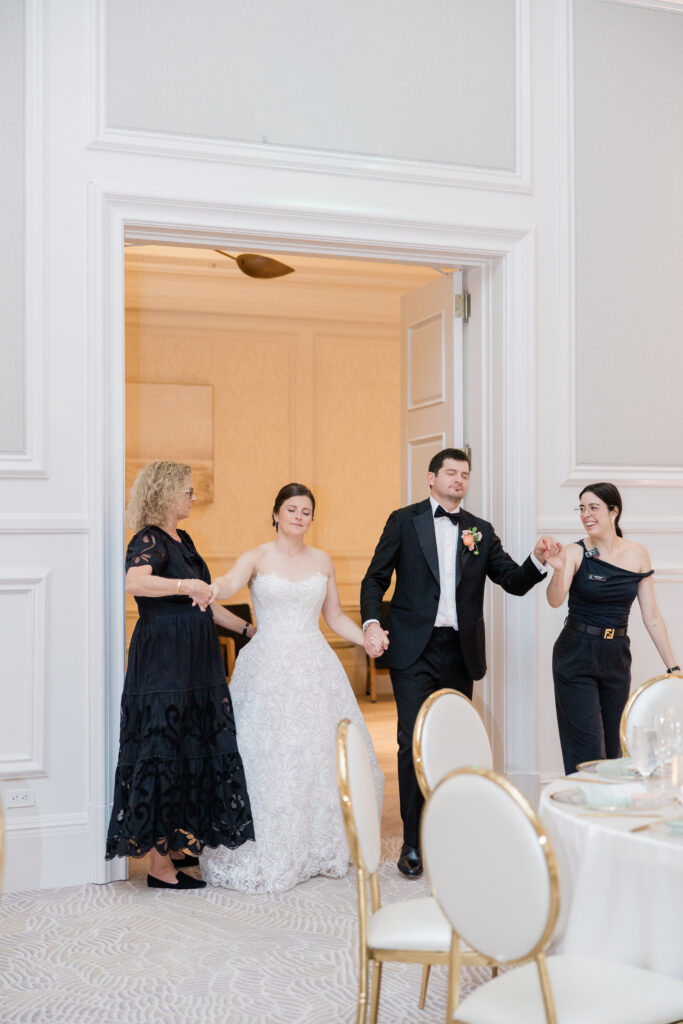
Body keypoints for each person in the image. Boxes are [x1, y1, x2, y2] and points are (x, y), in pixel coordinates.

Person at [361, 448, 558, 877]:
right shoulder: (404, 520)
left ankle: (447, 833)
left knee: (451, 741)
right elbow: (375, 578)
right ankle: (413, 842)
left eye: (465, 475)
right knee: (412, 740)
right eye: (451, 473)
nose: (459, 480)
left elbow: (513, 581)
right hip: (413, 649)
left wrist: (539, 558)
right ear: (431, 478)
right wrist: (373, 623)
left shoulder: (479, 531)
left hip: (459, 652)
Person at [199, 483, 384, 893]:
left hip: (315, 664)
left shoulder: (322, 560)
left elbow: (334, 616)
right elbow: (229, 584)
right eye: (292, 509)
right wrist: (212, 588)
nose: (299, 516)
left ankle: (316, 847)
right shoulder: (257, 556)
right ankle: (265, 846)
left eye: (306, 511)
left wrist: (366, 637)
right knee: (266, 752)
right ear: (277, 514)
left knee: (315, 754)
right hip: (266, 665)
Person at [106, 460, 255, 888]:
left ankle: (173, 849)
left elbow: (205, 600)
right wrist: (181, 586)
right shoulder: (148, 538)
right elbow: (135, 582)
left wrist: (247, 630)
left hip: (196, 662)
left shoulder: (183, 539)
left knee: (189, 746)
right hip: (164, 660)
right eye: (187, 491)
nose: (192, 497)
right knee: (162, 750)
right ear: (167, 494)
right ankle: (158, 867)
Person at [546, 482, 679, 775]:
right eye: (582, 508)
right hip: (575, 654)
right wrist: (557, 571)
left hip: (617, 656)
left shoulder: (637, 554)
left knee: (612, 752)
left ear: (614, 511)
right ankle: (581, 813)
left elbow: (652, 615)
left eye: (593, 507)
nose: (586, 514)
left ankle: (604, 814)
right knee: (588, 752)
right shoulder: (574, 552)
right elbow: (555, 600)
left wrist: (673, 667)